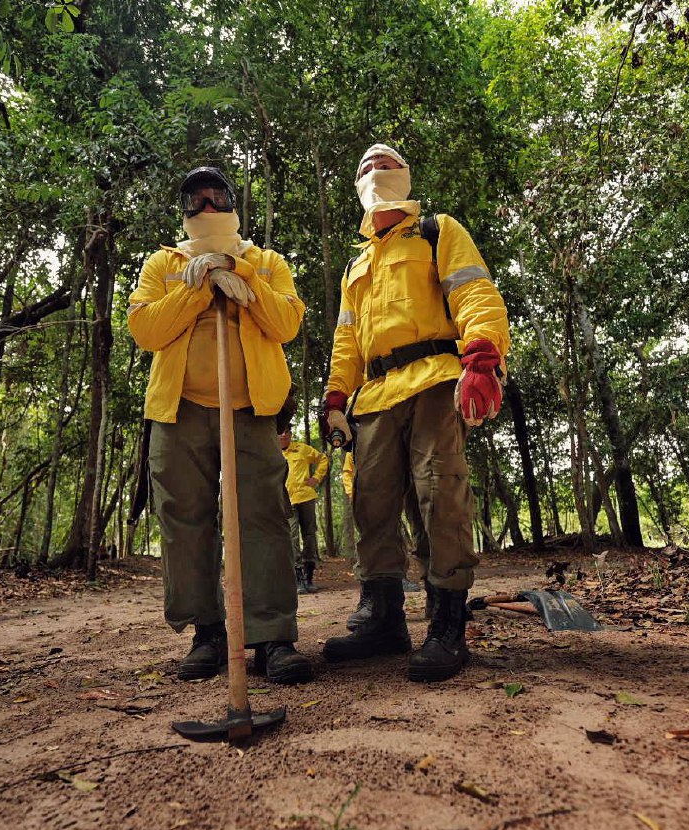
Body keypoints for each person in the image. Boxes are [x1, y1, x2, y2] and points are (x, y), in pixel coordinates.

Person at [321, 144, 509, 682]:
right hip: (374, 396)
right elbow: (347, 339)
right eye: (364, 167)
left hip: (434, 379)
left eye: (385, 164)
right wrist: (335, 397)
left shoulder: (436, 230)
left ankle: (447, 624)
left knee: (439, 491)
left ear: (404, 176)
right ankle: (383, 620)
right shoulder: (357, 264)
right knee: (372, 501)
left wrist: (481, 354)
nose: (374, 170)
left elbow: (472, 290)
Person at [127, 166, 313, 685]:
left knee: (263, 518)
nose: (207, 207)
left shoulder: (267, 262)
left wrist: (243, 279)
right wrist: (198, 288)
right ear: (184, 212)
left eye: (217, 197)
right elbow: (145, 329)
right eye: (196, 200)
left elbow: (287, 324)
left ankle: (272, 636)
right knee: (185, 520)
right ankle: (207, 632)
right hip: (179, 408)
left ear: (233, 203)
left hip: (251, 408)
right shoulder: (162, 263)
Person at [280, 430, 329, 593]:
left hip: (306, 497)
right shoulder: (273, 453)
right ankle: (298, 576)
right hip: (287, 501)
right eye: (280, 433)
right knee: (292, 536)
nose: (283, 435)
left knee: (309, 536)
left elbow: (322, 459)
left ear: (291, 434)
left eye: (286, 432)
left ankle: (309, 576)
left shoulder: (302, 449)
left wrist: (316, 478)